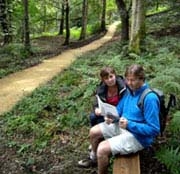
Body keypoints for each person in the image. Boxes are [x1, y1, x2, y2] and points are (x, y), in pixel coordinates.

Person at [78, 64, 160, 174]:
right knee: (93, 132)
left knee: (102, 149)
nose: (129, 83)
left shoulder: (150, 98)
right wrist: (111, 117)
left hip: (138, 137)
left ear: (142, 79)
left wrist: (129, 124)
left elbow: (154, 129)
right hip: (122, 126)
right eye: (127, 80)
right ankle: (93, 159)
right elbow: (119, 109)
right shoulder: (129, 92)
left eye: (133, 80)